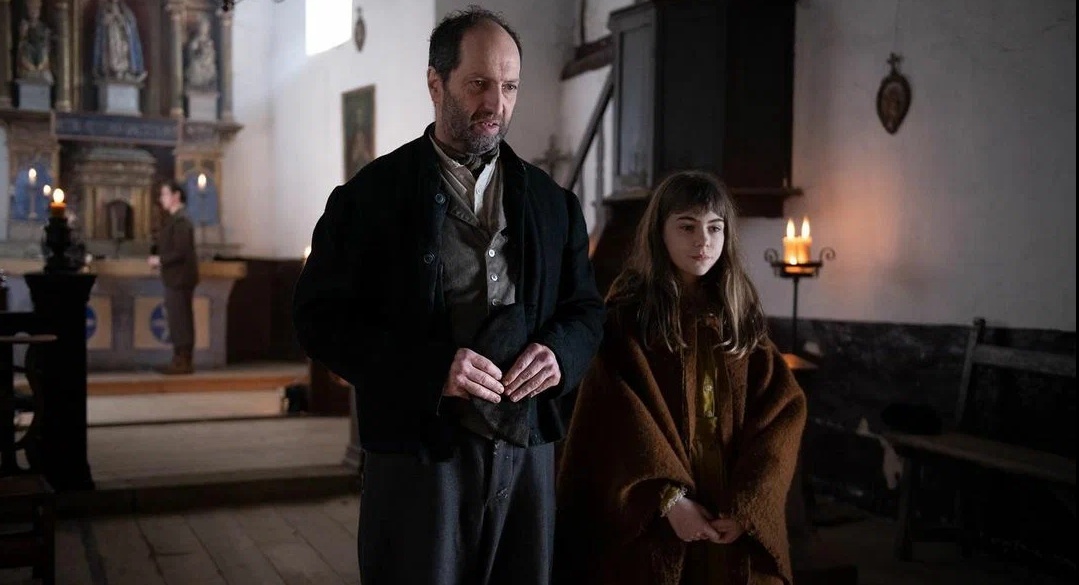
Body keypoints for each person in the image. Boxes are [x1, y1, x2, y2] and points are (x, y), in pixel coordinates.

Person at [292, 7, 604, 585]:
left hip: (526, 455)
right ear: (435, 84)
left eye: (509, 87)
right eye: (479, 83)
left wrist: (560, 352)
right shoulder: (368, 198)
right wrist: (430, 369)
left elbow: (586, 310)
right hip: (417, 459)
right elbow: (318, 319)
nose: (496, 103)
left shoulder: (552, 203)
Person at [554, 170, 807, 585]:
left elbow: (783, 410)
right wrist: (668, 500)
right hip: (661, 509)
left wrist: (749, 506)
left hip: (728, 497)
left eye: (714, 227)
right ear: (660, 232)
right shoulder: (628, 317)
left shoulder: (738, 315)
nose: (702, 240)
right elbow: (613, 419)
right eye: (687, 227)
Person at [149, 181, 199, 375]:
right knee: (177, 320)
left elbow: (181, 251)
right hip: (175, 278)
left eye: (165, 194)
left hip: (180, 278)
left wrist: (159, 260)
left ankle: (183, 360)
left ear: (176, 196)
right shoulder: (174, 220)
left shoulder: (181, 221)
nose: (162, 199)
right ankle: (179, 358)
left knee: (181, 320)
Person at [93, 0, 146, 82]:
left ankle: (124, 72)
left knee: (122, 50)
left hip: (122, 38)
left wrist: (119, 17)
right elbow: (101, 25)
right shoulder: (104, 9)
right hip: (110, 38)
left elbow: (131, 26)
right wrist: (110, 17)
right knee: (112, 52)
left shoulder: (125, 10)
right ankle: (111, 72)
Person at [16, 0, 53, 83]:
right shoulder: (24, 25)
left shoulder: (43, 27)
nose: (33, 12)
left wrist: (46, 36)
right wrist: (23, 33)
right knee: (26, 48)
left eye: (36, 10)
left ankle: (40, 69)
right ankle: (30, 69)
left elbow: (46, 41)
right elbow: (22, 41)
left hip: (40, 51)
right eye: (31, 9)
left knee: (43, 49)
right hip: (28, 50)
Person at [185, 15, 218, 90]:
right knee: (195, 66)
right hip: (198, 61)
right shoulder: (196, 40)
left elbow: (212, 53)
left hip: (207, 62)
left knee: (212, 68)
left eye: (205, 27)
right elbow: (192, 51)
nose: (203, 29)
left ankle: (208, 83)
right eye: (202, 27)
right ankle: (197, 84)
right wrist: (199, 51)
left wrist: (208, 53)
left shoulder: (209, 41)